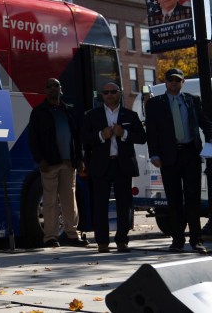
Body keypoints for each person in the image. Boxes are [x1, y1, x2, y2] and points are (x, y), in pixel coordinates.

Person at [145, 68, 212, 253]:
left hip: (190, 154)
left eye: (177, 80)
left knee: (193, 198)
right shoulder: (155, 104)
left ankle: (196, 240)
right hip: (168, 156)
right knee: (173, 199)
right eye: (170, 80)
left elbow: (205, 124)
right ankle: (177, 240)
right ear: (166, 82)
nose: (173, 83)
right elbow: (152, 132)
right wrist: (154, 155)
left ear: (182, 82)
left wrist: (209, 143)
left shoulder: (192, 100)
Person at [81, 83, 146, 253]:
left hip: (122, 164)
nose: (109, 95)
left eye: (113, 92)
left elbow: (142, 137)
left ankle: (122, 241)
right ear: (102, 95)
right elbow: (84, 138)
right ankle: (102, 242)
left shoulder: (130, 115)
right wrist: (101, 136)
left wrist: (123, 133)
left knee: (124, 204)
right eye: (106, 92)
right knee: (99, 204)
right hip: (101, 165)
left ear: (119, 93)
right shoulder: (92, 115)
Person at [28, 78, 88, 248]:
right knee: (50, 201)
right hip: (50, 164)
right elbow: (33, 139)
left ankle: (71, 235)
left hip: (69, 163)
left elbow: (77, 137)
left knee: (70, 200)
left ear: (61, 89)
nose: (53, 88)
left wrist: (80, 159)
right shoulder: (39, 112)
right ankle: (50, 237)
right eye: (49, 86)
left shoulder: (68, 111)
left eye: (56, 85)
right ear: (45, 91)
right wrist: (40, 159)